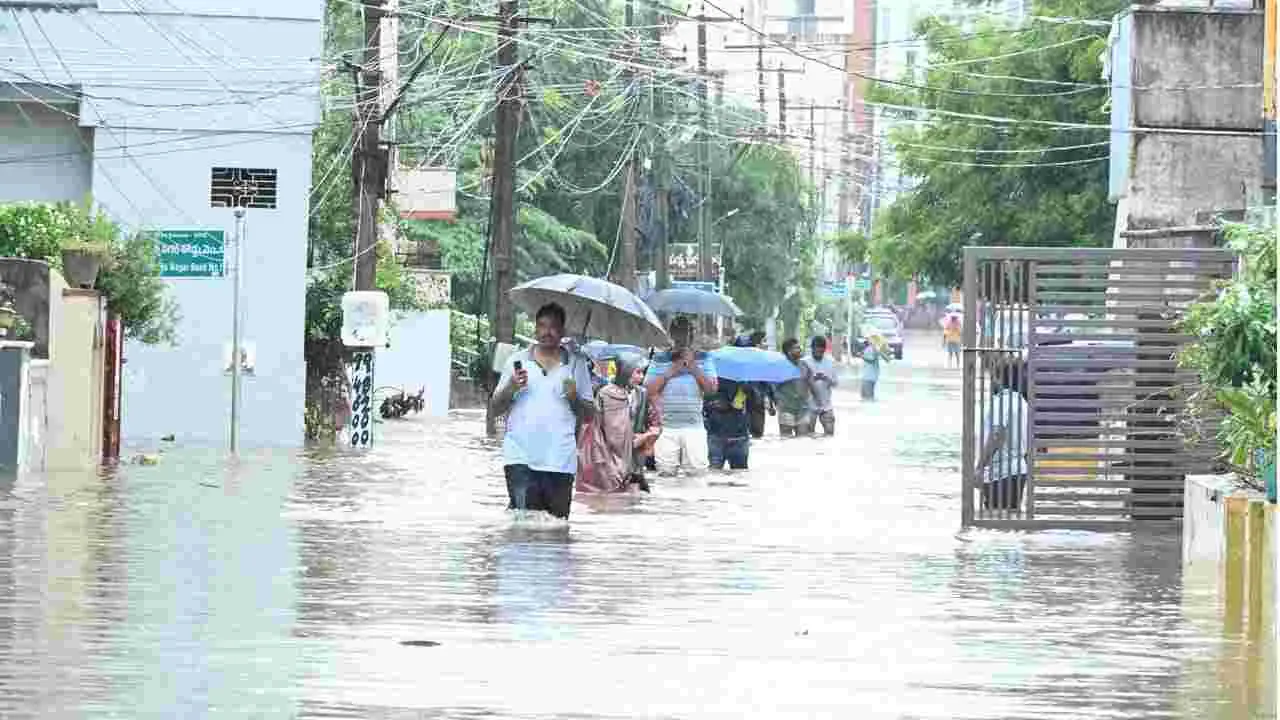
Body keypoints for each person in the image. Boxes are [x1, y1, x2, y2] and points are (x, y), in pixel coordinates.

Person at [490, 303, 594, 519]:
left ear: (563, 331)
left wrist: (574, 397)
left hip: (560, 461)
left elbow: (590, 415)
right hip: (520, 458)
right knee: (524, 526)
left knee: (556, 530)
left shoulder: (577, 364)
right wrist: (511, 386)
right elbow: (495, 408)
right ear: (535, 329)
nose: (547, 332)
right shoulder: (517, 362)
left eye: (554, 326)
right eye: (542, 326)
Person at [645, 316, 718, 477]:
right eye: (679, 331)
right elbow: (649, 390)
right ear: (671, 334)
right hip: (667, 428)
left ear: (693, 334)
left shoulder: (704, 358)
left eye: (687, 331)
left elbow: (712, 389)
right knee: (665, 476)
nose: (684, 336)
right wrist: (673, 369)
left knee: (697, 476)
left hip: (695, 428)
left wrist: (692, 366)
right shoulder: (660, 358)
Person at [577, 355, 658, 494]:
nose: (641, 377)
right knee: (609, 498)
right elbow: (603, 429)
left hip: (634, 458)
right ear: (625, 371)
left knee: (632, 500)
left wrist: (648, 436)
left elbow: (655, 422)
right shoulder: (606, 394)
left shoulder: (642, 394)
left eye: (643, 373)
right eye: (637, 372)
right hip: (608, 455)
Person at [975, 359, 1029, 511]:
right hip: (1019, 470)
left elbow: (997, 434)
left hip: (1001, 473)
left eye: (993, 376)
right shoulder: (1022, 402)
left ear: (999, 378)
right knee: (1010, 518)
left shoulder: (1002, 401)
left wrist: (980, 467)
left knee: (993, 519)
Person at [704, 376, 753, 470]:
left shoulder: (708, 379)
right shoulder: (745, 382)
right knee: (740, 476)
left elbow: (704, 407)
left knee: (714, 475)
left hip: (716, 433)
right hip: (738, 434)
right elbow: (755, 408)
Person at [775, 338, 814, 437]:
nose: (800, 349)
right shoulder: (780, 366)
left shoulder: (804, 365)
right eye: (796, 348)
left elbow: (811, 384)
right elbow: (773, 386)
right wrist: (772, 403)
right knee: (786, 439)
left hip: (803, 408)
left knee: (803, 440)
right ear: (789, 351)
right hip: (786, 408)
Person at [802, 336, 838, 436]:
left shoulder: (830, 362)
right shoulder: (804, 362)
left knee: (830, 434)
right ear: (812, 349)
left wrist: (827, 379)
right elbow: (799, 384)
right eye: (816, 350)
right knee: (807, 435)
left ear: (824, 350)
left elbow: (835, 383)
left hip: (826, 404)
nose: (819, 353)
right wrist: (811, 379)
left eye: (821, 351)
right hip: (808, 405)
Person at [860, 333, 890, 401]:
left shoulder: (874, 349)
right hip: (868, 376)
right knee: (865, 397)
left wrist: (862, 357)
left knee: (867, 398)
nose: (867, 340)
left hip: (869, 377)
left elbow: (872, 359)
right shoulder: (870, 348)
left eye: (869, 338)